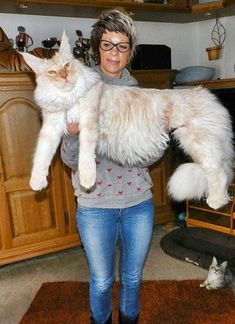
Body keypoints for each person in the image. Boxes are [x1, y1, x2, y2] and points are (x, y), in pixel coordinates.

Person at [61, 9, 155, 324]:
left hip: (138, 203)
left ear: (131, 52)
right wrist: (74, 136)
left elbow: (148, 159)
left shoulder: (139, 93)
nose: (114, 53)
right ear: (97, 46)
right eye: (107, 44)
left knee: (132, 277)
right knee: (101, 280)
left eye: (122, 45)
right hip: (95, 203)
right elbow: (71, 161)